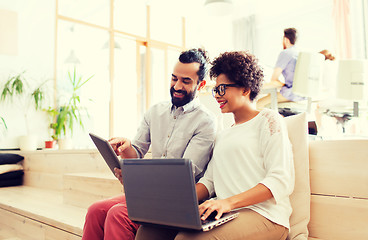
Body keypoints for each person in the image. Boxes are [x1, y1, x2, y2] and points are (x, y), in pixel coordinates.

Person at [135, 51, 295, 240]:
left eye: (222, 89)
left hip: (265, 216)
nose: (217, 96)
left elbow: (280, 180)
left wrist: (227, 203)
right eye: (215, 89)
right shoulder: (224, 133)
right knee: (148, 233)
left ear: (245, 89)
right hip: (227, 212)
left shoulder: (268, 120)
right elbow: (209, 181)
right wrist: (174, 202)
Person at [82, 48, 217, 240]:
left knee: (118, 215)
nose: (177, 86)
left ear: (201, 85)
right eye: (174, 78)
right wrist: (127, 146)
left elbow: (183, 175)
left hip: (180, 199)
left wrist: (136, 181)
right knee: (95, 210)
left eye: (186, 81)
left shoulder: (206, 121)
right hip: (151, 193)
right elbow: (136, 152)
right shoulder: (155, 111)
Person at [257, 27, 303, 109]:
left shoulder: (285, 53)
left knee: (257, 105)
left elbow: (274, 79)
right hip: (301, 95)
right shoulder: (299, 53)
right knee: (270, 95)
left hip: (290, 94)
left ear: (285, 39)